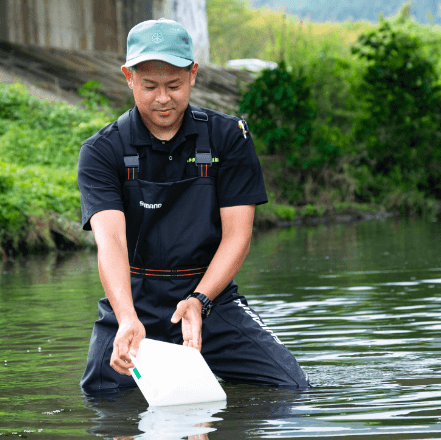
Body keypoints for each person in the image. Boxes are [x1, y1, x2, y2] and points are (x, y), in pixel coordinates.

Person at [77, 18, 309, 393]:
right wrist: (126, 317)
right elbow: (112, 243)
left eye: (174, 85)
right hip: (135, 300)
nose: (163, 98)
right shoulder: (102, 151)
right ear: (128, 77)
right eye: (150, 86)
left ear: (193, 74)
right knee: (105, 402)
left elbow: (238, 236)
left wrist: (199, 300)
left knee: (290, 388)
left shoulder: (228, 137)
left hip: (210, 295)